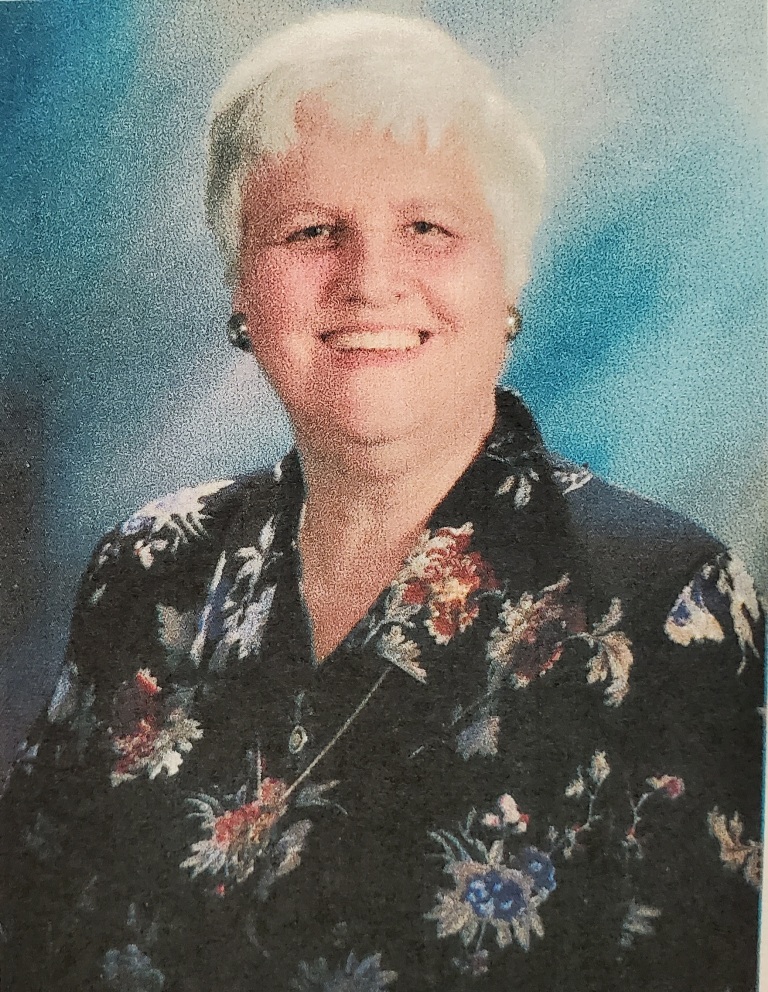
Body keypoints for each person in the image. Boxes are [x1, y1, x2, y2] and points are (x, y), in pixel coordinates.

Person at [0, 11, 763, 991]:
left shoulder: (666, 600)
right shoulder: (149, 564)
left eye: (427, 228)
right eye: (312, 230)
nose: (369, 280)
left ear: (508, 279)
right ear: (242, 287)